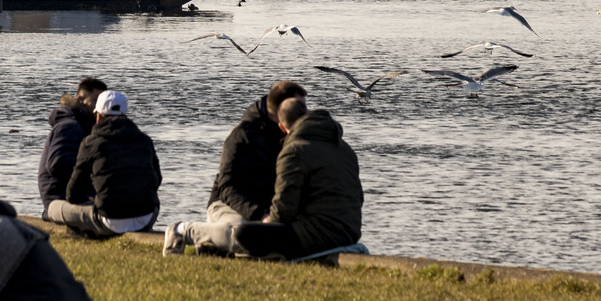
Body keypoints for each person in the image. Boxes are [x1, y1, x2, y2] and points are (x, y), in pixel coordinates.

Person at [163, 79, 307, 256]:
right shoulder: (242, 136)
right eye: (298, 106)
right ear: (280, 109)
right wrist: (259, 215)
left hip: (268, 210)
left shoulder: (295, 138)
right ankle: (183, 230)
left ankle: (215, 247)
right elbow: (227, 187)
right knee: (243, 236)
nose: (304, 113)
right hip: (228, 205)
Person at [234, 95, 363, 261]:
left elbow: (284, 209)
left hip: (319, 236)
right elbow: (359, 197)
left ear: (281, 126)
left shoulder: (294, 151)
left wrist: (268, 221)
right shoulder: (345, 149)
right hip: (350, 233)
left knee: (244, 233)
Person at [45, 89, 162, 239]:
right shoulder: (144, 140)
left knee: (53, 208)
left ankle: (87, 231)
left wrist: (95, 198)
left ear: (98, 117)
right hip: (146, 218)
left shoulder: (91, 142)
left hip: (109, 221)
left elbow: (73, 194)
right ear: (125, 115)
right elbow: (156, 179)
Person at [37, 77, 106, 218]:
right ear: (80, 99)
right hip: (61, 199)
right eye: (95, 101)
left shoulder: (83, 127)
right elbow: (58, 164)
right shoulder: (69, 127)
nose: (99, 107)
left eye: (102, 103)